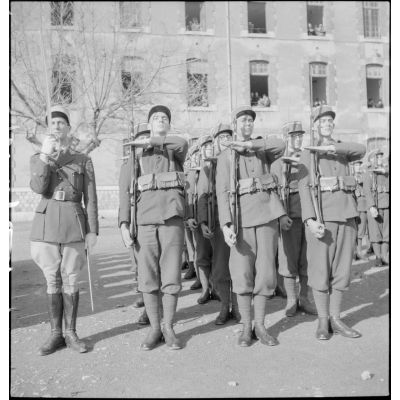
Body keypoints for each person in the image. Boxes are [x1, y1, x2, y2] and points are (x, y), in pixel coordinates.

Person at [30, 105, 98, 355]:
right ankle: (55, 334)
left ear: (69, 129)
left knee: (71, 278)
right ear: (48, 130)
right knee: (51, 278)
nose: (57, 126)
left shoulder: (83, 160)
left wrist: (92, 231)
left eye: (61, 123)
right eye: (53, 123)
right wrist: (45, 158)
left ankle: (70, 332)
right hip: (46, 225)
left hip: (73, 223)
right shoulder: (38, 157)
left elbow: (91, 198)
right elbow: (38, 188)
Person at [216, 106, 286, 347]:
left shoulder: (261, 150)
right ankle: (246, 326)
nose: (247, 124)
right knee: (242, 273)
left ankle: (261, 325)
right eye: (242, 120)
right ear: (234, 125)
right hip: (241, 220)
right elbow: (222, 192)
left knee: (266, 273)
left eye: (250, 121)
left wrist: (250, 146)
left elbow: (281, 146)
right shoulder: (225, 156)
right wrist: (226, 225)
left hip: (266, 216)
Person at [298, 105, 366, 341]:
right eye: (322, 121)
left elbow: (362, 149)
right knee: (319, 271)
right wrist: (309, 220)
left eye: (329, 121)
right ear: (315, 126)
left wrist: (331, 147)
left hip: (347, 215)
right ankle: (323, 320)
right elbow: (303, 188)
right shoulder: (309, 153)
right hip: (323, 219)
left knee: (342, 270)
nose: (326, 124)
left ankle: (337, 319)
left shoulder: (342, 150)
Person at [128, 105, 188, 351]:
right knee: (148, 276)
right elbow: (126, 191)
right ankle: (154, 328)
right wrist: (124, 223)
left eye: (165, 118)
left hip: (172, 217)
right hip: (144, 219)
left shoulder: (175, 149)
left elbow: (183, 143)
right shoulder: (137, 154)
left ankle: (169, 327)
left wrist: (151, 140)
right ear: (149, 123)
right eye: (156, 118)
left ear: (168, 125)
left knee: (171, 275)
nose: (161, 120)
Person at [271, 121, 317, 317]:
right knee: (288, 258)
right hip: (289, 216)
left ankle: (304, 297)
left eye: (300, 135)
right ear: (286, 138)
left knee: (307, 259)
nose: (298, 139)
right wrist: (281, 215)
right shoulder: (277, 163)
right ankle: (291, 299)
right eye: (293, 136)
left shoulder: (309, 159)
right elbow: (272, 192)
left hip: (309, 217)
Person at [197, 124, 240, 324]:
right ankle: (225, 306)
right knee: (221, 267)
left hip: (240, 218)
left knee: (240, 265)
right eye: (221, 137)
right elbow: (203, 195)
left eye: (228, 136)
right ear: (216, 141)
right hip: (218, 221)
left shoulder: (240, 157)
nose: (225, 139)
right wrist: (203, 221)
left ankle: (239, 307)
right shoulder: (209, 165)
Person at [119, 122, 156, 326]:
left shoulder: (161, 161)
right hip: (136, 221)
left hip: (155, 221)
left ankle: (155, 310)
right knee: (139, 266)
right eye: (140, 139)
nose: (144, 144)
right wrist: (124, 225)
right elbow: (124, 198)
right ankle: (145, 299)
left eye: (147, 139)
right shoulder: (129, 166)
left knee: (156, 267)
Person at [363, 149, 389, 266]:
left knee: (387, 232)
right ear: (372, 159)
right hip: (375, 206)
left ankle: (384, 256)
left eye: (380, 157)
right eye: (377, 157)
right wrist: (371, 206)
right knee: (375, 233)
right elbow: (367, 191)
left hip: (387, 205)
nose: (379, 159)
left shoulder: (386, 172)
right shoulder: (369, 173)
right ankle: (378, 257)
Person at [352, 160, 368, 260]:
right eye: (356, 165)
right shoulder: (350, 177)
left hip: (363, 205)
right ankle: (354, 252)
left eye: (359, 165)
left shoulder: (363, 176)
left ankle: (359, 251)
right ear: (353, 167)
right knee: (353, 230)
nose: (358, 167)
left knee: (361, 230)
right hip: (354, 206)